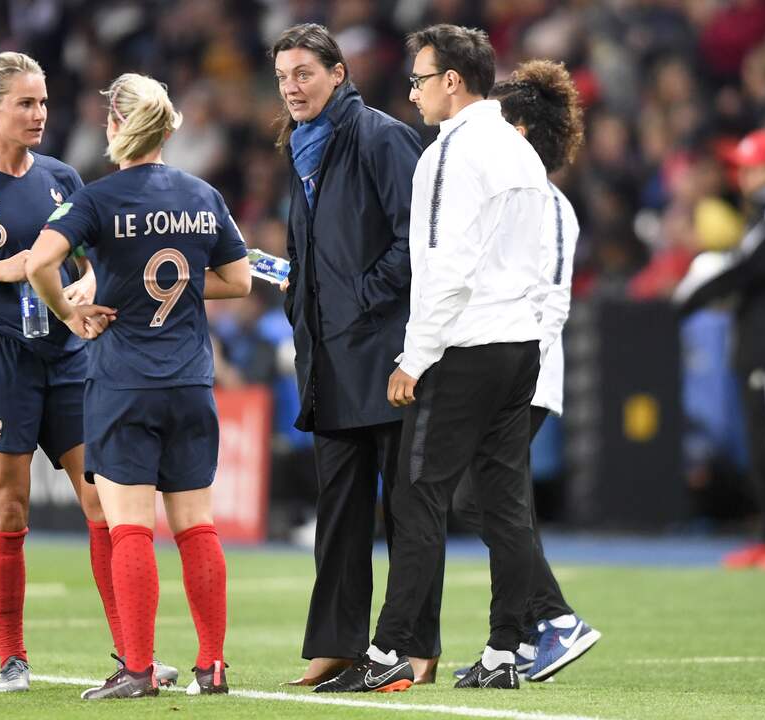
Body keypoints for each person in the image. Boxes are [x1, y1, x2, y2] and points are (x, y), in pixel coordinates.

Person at [0, 52, 177, 693]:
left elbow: (93, 253)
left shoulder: (60, 178)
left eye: (44, 102)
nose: (39, 114)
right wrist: (3, 269)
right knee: (7, 508)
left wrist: (82, 284)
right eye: (26, 103)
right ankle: (12, 659)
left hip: (67, 358)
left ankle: (130, 653)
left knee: (102, 501)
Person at [318, 25, 547, 693]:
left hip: (467, 346)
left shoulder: (451, 152)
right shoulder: (518, 149)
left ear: (452, 80)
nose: (412, 92)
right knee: (504, 499)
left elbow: (445, 266)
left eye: (420, 78)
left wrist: (413, 358)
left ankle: (391, 651)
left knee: (417, 496)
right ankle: (505, 650)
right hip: (519, 345)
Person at [27, 71, 250, 700]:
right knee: (196, 526)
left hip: (125, 382)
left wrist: (73, 312)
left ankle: (138, 670)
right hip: (190, 381)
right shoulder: (202, 194)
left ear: (116, 127)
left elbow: (38, 262)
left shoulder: (98, 200)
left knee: (129, 527)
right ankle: (212, 667)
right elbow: (238, 282)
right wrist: (170, 290)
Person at [269, 23, 433, 686]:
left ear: (340, 73)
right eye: (283, 78)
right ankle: (336, 642)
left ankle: (415, 648)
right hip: (331, 357)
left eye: (304, 73)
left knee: (408, 508)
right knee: (339, 509)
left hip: (387, 355)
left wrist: (363, 296)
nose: (292, 88)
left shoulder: (382, 136)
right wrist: (300, 303)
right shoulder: (305, 146)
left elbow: (416, 240)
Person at [443, 60, 602, 683]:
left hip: (523, 372)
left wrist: (517, 371)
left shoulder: (550, 203)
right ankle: (531, 631)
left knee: (482, 500)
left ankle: (549, 620)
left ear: (523, 129)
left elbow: (553, 297)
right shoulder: (507, 195)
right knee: (490, 502)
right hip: (502, 365)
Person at [676, 128, 765, 572]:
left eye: (751, 168)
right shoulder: (763, 211)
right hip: (753, 342)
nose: (743, 177)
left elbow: (750, 267)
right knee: (760, 446)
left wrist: (690, 300)